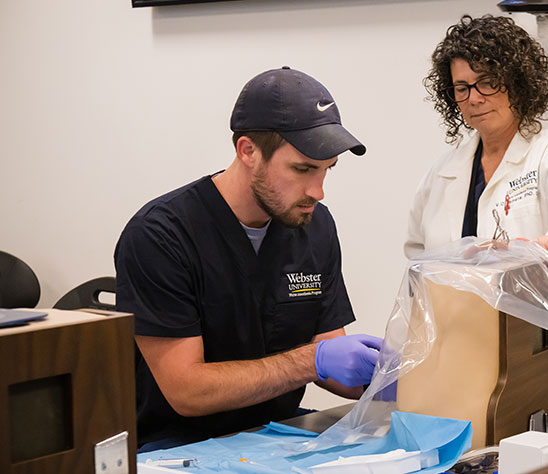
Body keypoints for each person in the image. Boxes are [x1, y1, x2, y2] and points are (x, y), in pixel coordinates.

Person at [114, 67, 383, 451]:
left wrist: (392, 376)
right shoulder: (161, 235)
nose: (318, 191)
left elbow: (333, 362)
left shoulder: (313, 225)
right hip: (179, 447)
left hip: (280, 434)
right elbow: (186, 391)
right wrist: (313, 361)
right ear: (248, 151)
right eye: (303, 169)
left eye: (327, 170)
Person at [406, 15, 548, 275]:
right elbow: (417, 255)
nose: (474, 98)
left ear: (518, 83)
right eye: (461, 88)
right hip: (453, 314)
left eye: (488, 83)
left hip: (531, 314)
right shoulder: (441, 173)